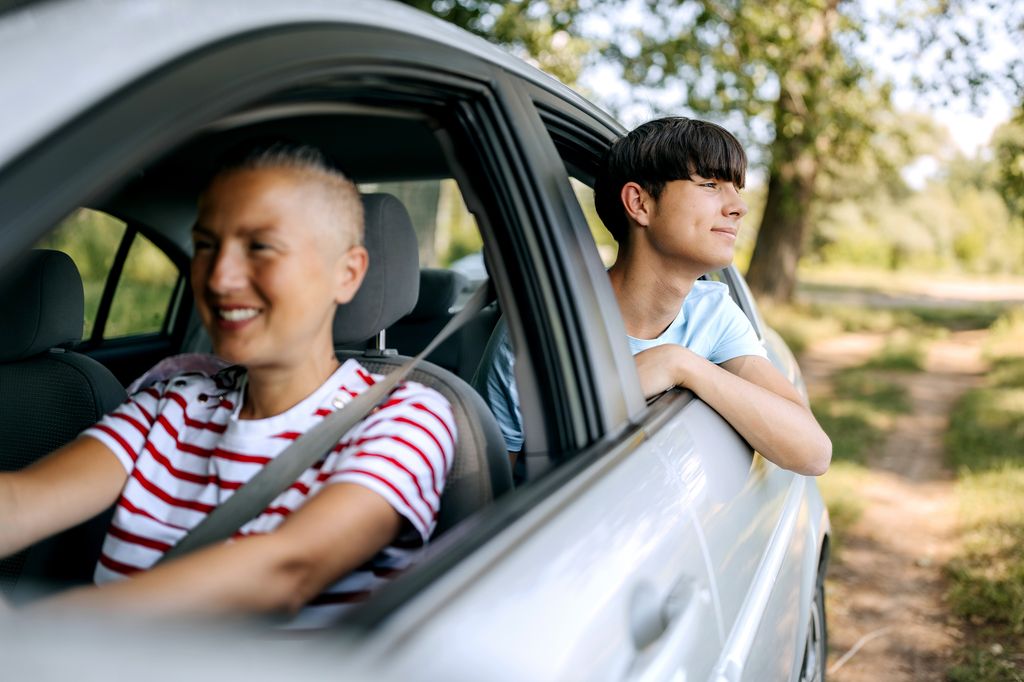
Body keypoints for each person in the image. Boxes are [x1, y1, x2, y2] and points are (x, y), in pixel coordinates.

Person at [0, 144, 456, 624]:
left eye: (260, 246)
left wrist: (39, 632)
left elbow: (286, 571)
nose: (219, 277)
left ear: (347, 274)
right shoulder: (170, 400)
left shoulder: (404, 418)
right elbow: (20, 502)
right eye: (205, 246)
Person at [477, 117, 831, 476]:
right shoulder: (537, 332)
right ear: (639, 203)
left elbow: (814, 453)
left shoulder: (713, 313)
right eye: (710, 184)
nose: (739, 206)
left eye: (737, 188)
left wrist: (679, 364)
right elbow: (493, 490)